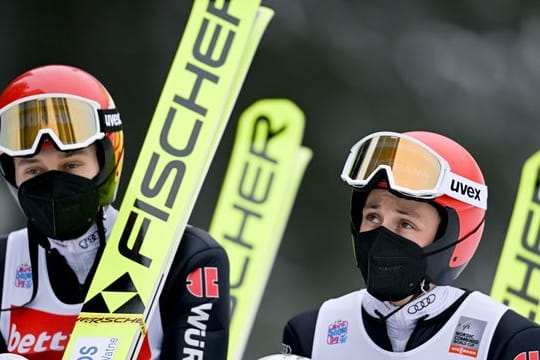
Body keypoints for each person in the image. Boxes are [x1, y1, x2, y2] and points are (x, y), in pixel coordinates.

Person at [0, 64, 230, 359]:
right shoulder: (4, 265)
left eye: (71, 165)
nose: (53, 185)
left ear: (107, 163)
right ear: (12, 176)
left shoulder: (184, 257)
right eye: (34, 170)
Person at [279, 131, 540, 359]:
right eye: (373, 217)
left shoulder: (505, 341)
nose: (382, 236)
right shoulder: (314, 332)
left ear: (452, 236)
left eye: (405, 224)